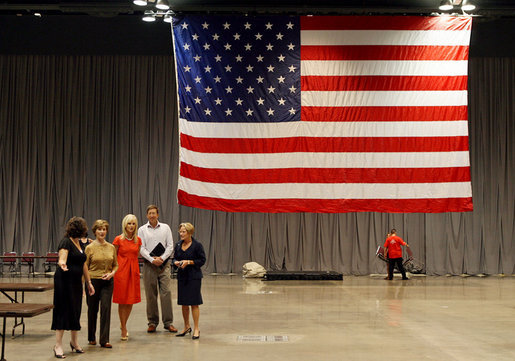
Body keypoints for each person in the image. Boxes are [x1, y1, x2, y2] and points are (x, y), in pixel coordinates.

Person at [51, 216, 95, 359]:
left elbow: (84, 265)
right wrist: (62, 264)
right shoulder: (66, 242)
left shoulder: (80, 245)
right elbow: (62, 258)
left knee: (76, 310)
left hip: (76, 282)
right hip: (64, 281)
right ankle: (58, 345)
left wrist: (88, 283)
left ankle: (74, 342)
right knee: (63, 310)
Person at [139, 205, 177, 333]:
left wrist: (161, 258)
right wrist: (152, 259)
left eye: (154, 213)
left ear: (158, 214)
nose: (152, 215)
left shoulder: (166, 228)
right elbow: (141, 248)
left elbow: (170, 246)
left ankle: (168, 323)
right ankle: (152, 322)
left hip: (164, 265)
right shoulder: (142, 230)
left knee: (166, 293)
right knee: (150, 294)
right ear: (146, 215)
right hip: (149, 265)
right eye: (149, 213)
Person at [85, 219, 118, 348]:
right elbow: (85, 267)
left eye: (104, 229)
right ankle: (91, 337)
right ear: (95, 231)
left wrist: (112, 273)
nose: (102, 231)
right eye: (99, 229)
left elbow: (115, 265)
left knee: (106, 308)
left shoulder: (111, 247)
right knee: (92, 310)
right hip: (93, 282)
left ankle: (104, 339)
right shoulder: (89, 248)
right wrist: (87, 284)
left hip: (107, 282)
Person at [173, 222, 206, 340]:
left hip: (194, 277)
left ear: (190, 232)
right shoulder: (178, 245)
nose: (181, 234)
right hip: (182, 277)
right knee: (184, 303)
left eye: (183, 232)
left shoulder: (197, 245)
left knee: (194, 303)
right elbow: (175, 258)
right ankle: (187, 326)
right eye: (180, 232)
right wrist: (176, 262)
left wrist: (189, 262)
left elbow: (202, 260)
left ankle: (196, 328)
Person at [112, 214, 142, 341]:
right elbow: (113, 256)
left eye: (133, 223)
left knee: (131, 300)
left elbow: (137, 255)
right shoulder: (118, 239)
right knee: (122, 300)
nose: (131, 226)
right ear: (125, 224)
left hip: (133, 271)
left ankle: (123, 322)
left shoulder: (138, 240)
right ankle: (123, 327)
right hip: (121, 271)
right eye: (129, 223)